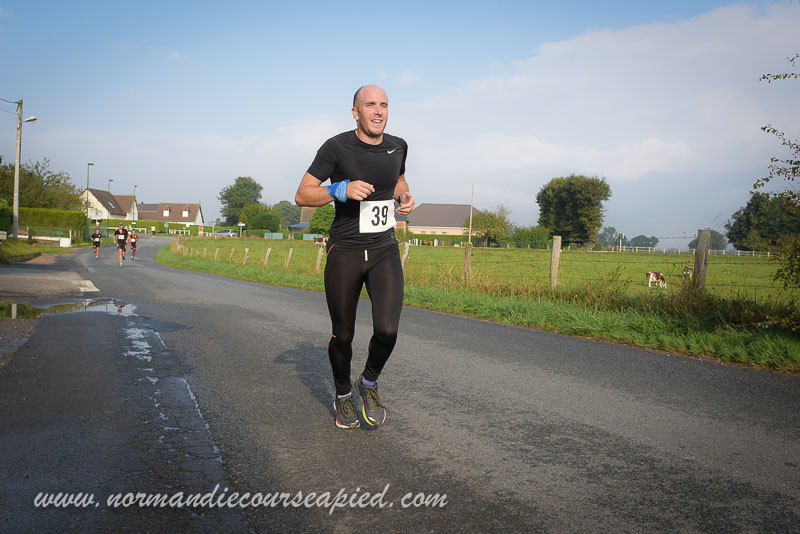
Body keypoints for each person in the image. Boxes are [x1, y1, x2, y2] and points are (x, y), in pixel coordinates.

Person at [295, 85, 414, 429]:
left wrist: (404, 197)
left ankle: (369, 382)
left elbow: (399, 180)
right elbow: (302, 194)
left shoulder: (399, 146)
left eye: (384, 105)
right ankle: (343, 393)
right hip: (345, 251)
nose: (378, 111)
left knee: (388, 329)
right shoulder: (336, 147)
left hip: (383, 248)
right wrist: (339, 189)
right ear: (355, 112)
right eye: (370, 105)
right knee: (343, 335)